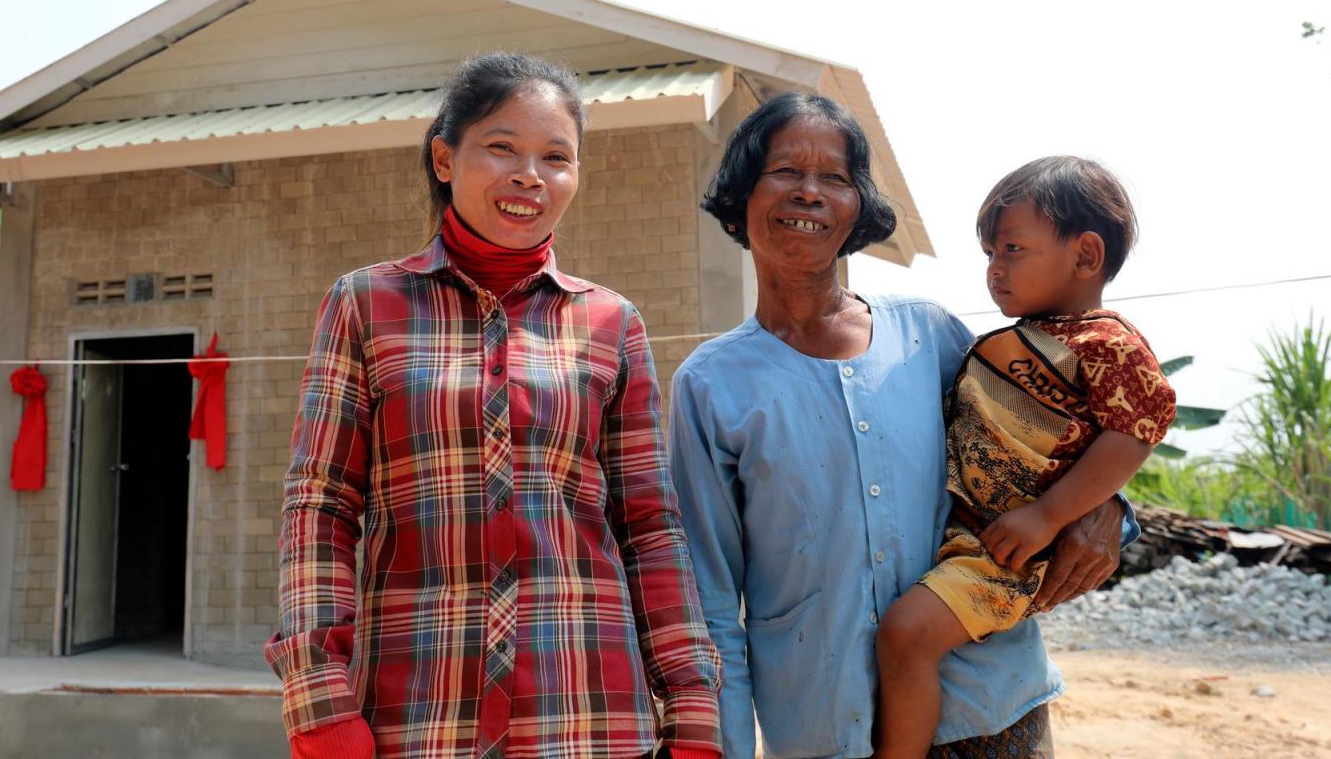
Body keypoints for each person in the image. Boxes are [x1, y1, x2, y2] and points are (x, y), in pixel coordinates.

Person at [265, 53, 723, 759]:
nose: (529, 176)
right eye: (501, 148)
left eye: (556, 157)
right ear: (445, 158)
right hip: (418, 710)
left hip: (589, 711)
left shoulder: (611, 322)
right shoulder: (364, 305)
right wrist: (318, 693)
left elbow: (649, 526)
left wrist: (691, 702)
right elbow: (321, 508)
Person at [668, 93, 1133, 759]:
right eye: (784, 172)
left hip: (994, 713)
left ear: (859, 207)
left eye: (834, 177)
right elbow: (710, 600)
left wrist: (1110, 507)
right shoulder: (710, 387)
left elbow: (1059, 431)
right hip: (827, 731)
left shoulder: (930, 336)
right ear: (742, 192)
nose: (809, 193)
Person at [872, 157, 1176, 758]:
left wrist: (1049, 516)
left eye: (1012, 249)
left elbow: (1135, 431)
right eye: (989, 253)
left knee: (906, 635)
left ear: (1086, 256)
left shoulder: (1105, 344)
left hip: (1009, 554)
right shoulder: (1013, 342)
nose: (994, 269)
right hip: (970, 537)